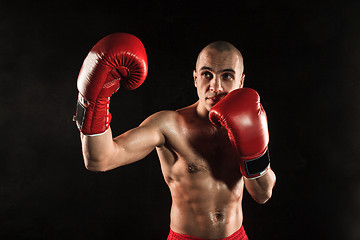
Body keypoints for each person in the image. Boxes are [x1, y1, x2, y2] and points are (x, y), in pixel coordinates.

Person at [73, 33, 276, 240]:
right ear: (195, 78)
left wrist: (253, 151)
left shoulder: (250, 121)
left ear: (241, 81)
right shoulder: (169, 125)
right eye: (207, 74)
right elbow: (100, 159)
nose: (216, 87)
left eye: (227, 76)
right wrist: (92, 103)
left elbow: (263, 194)